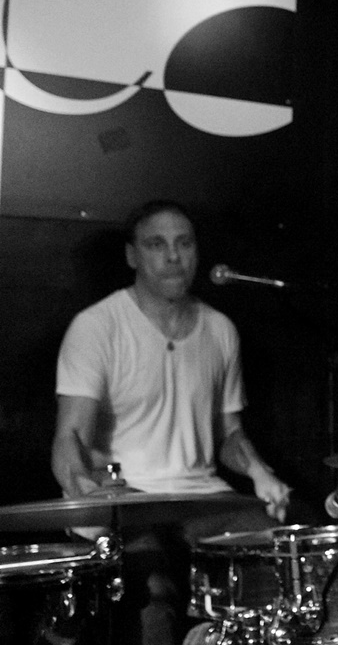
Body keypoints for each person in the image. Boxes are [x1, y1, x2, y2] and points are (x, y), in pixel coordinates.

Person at [51, 199, 293, 645]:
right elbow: (70, 438)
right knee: (152, 592)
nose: (173, 256)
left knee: (275, 553)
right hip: (129, 498)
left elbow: (229, 434)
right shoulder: (97, 326)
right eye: (157, 245)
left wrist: (260, 472)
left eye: (184, 243)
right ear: (132, 255)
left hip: (203, 496)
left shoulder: (220, 329)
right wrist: (85, 492)